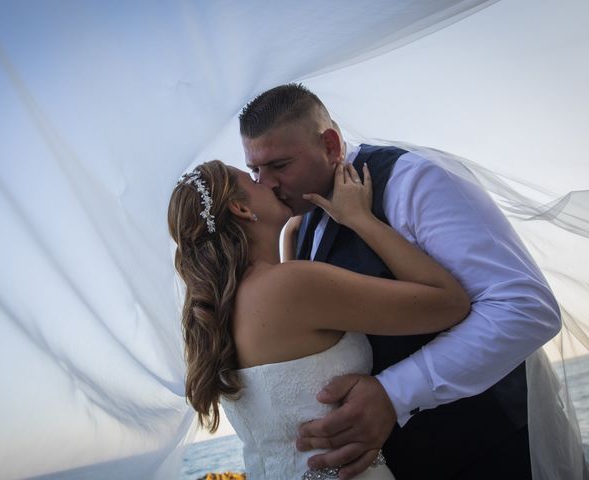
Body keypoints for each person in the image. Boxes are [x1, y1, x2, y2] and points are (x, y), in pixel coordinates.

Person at [238, 83, 564, 479]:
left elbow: (525, 308)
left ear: (329, 143)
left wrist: (393, 393)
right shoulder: (301, 222)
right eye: (255, 170)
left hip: (490, 451)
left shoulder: (413, 181)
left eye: (280, 165)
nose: (266, 183)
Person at [168, 160, 471, 479]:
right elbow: (450, 302)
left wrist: (294, 229)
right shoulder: (292, 286)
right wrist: (359, 218)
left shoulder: (221, 310)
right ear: (241, 209)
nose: (269, 183)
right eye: (255, 180)